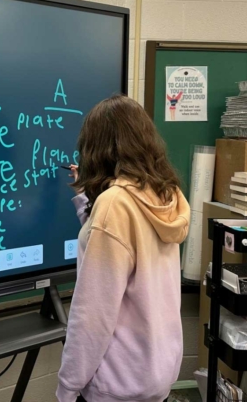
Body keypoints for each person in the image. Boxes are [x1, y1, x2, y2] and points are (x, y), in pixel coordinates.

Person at [57, 96, 191, 402]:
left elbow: (93, 314)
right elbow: (114, 238)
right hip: (155, 373)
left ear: (98, 148)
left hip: (117, 382)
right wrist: (87, 195)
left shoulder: (114, 205)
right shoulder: (165, 193)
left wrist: (67, 386)